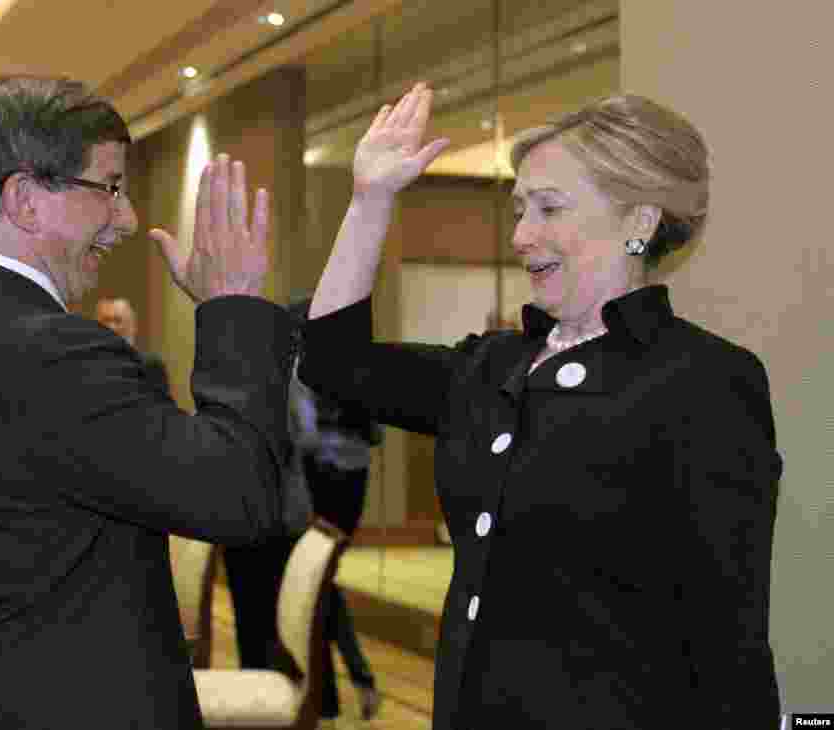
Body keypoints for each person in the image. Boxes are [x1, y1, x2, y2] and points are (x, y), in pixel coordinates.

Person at [297, 83, 782, 728]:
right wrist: (370, 201)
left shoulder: (704, 381)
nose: (523, 235)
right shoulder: (492, 366)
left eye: (549, 208)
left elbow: (729, 640)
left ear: (639, 223)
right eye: (520, 210)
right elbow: (332, 363)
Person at [0, 75, 294, 730]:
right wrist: (233, 307)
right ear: (26, 200)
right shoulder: (54, 353)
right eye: (111, 187)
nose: (127, 219)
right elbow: (241, 496)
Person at [223, 300, 382, 722]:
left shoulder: (301, 374)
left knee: (314, 593)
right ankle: (339, 690)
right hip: (296, 501)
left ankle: (337, 691)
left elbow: (346, 435)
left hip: (305, 501)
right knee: (315, 594)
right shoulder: (286, 374)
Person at [95, 296, 170, 392]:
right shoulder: (88, 364)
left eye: (117, 320)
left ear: (132, 326)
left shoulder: (151, 365)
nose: (111, 327)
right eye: (105, 320)